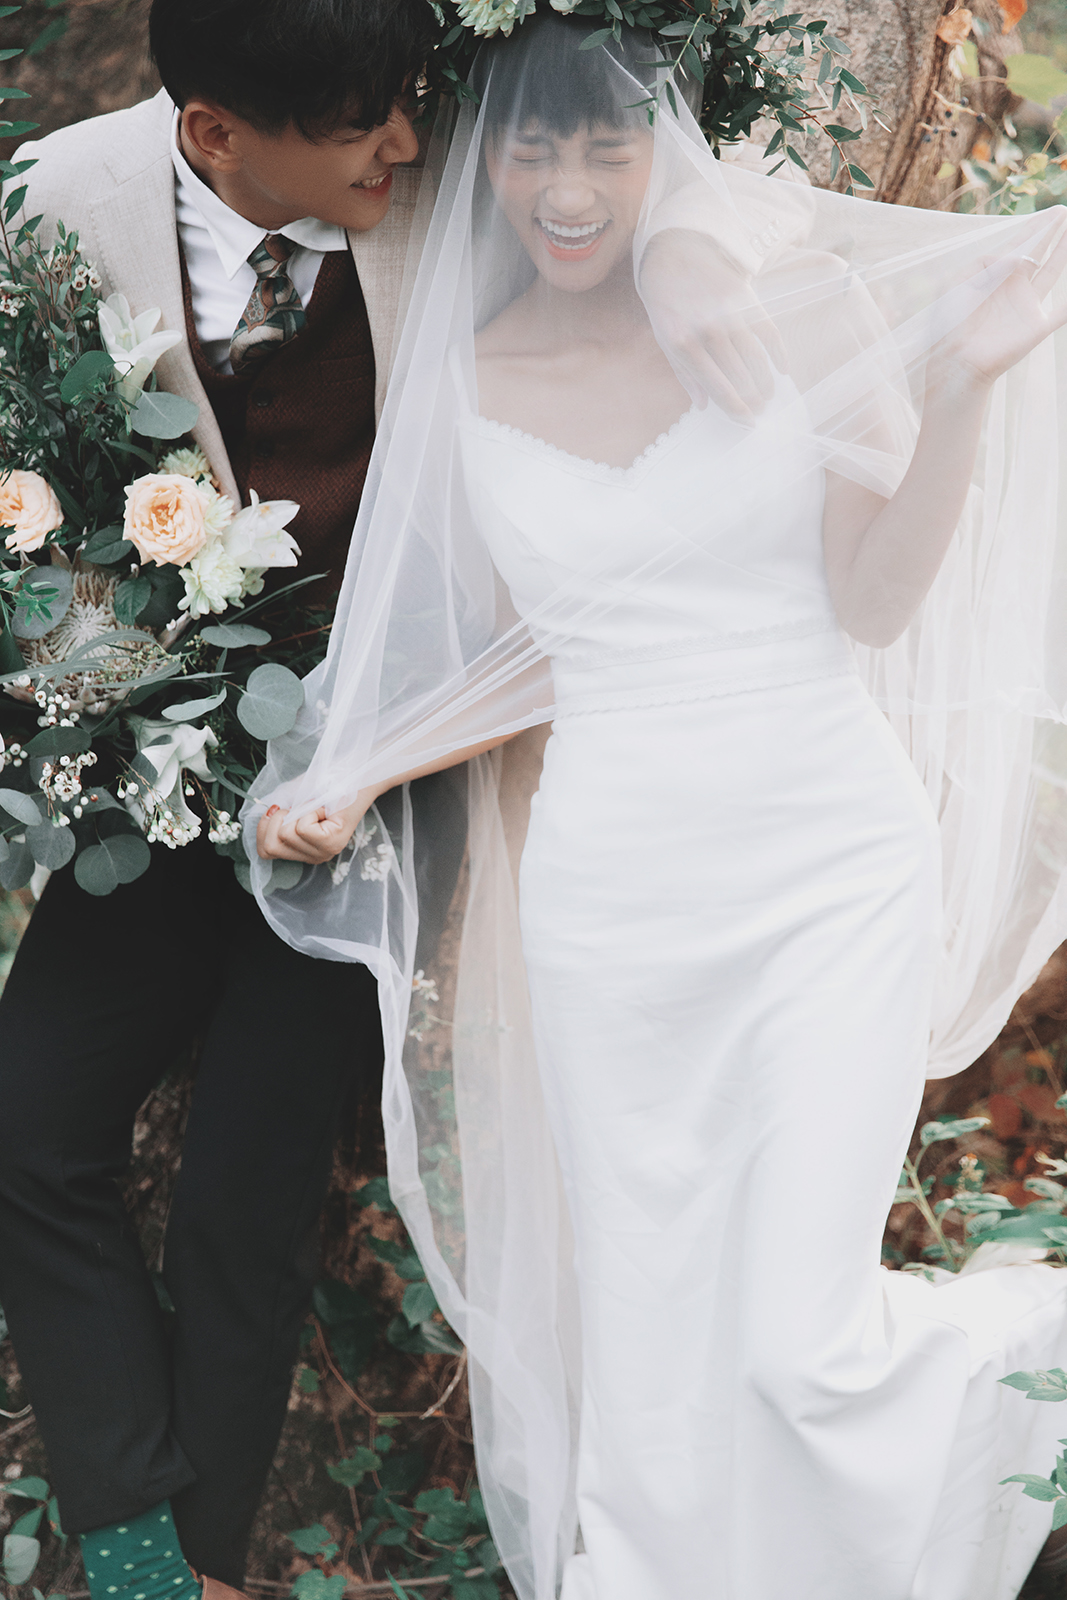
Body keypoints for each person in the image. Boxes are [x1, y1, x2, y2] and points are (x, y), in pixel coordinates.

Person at [253, 16, 1067, 1600]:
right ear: (487, 169)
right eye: (532, 151)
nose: (568, 189)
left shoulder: (784, 316)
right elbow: (528, 659)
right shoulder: (469, 379)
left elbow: (876, 603)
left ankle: (1035, 1366)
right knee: (651, 1320)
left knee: (798, 1334)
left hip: (827, 862)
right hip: (615, 896)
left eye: (604, 147)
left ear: (665, 156)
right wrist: (358, 769)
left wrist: (962, 388)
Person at [0, 2, 444, 1596]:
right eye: (363, 126)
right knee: (25, 1125)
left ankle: (179, 1579)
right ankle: (137, 1546)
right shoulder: (56, 204)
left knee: (242, 1205)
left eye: (404, 106)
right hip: (167, 763)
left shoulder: (447, 196)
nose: (403, 143)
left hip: (373, 783)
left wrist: (366, 763)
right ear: (214, 133)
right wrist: (125, 701)